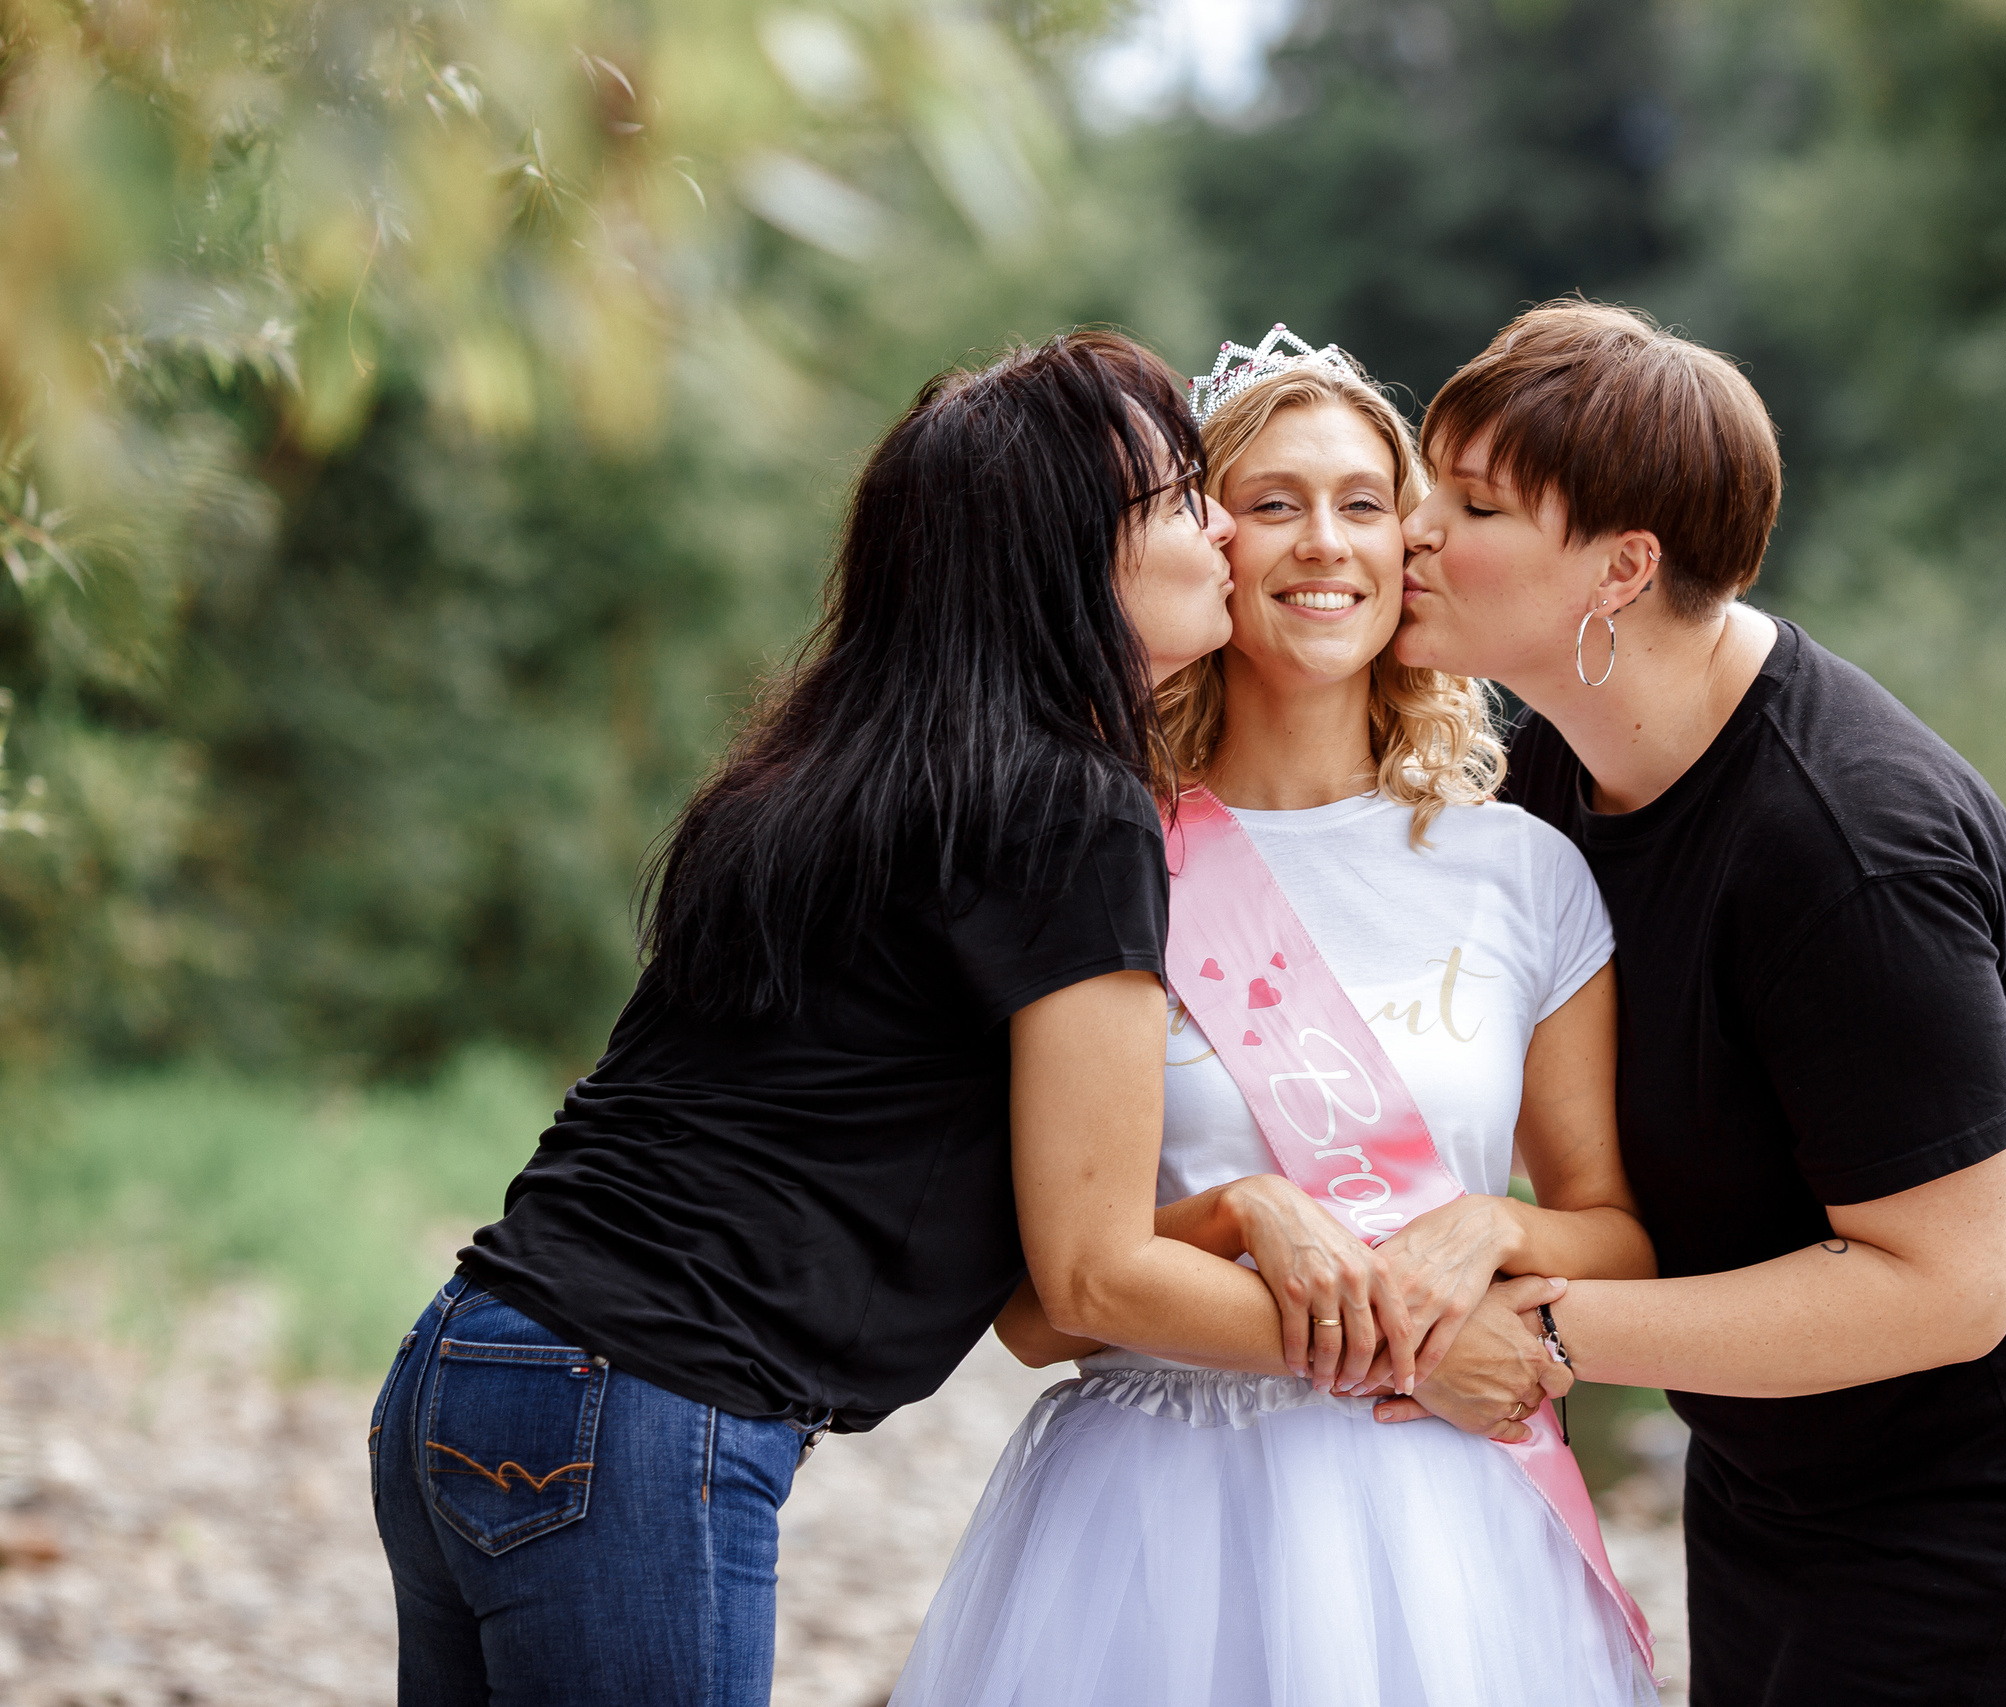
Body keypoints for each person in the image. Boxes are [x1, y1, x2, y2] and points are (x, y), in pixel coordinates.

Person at [367, 329, 1338, 1706]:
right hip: (642, 1406)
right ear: (1071, 556)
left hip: (468, 1358)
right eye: (1184, 501)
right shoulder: (1074, 811)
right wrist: (1418, 1355)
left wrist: (1238, 1207)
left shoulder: (819, 772)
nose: (1227, 529)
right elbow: (1096, 1280)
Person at [1386, 299, 2006, 1705]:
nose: (1413, 530)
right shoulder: (1554, 784)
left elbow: (1951, 1287)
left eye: (1474, 505)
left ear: (1623, 567)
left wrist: (1547, 1336)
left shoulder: (1845, 843)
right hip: (1788, 1446)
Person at [889, 327, 1662, 1707]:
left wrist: (1490, 1228)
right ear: (1208, 544)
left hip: (1443, 1519)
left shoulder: (1522, 872)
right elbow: (1037, 1315)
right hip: (1153, 1522)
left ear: (1407, 546)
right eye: (1272, 502)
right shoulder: (1096, 857)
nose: (1324, 543)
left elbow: (1615, 1231)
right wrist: (1244, 1214)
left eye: (1363, 503)